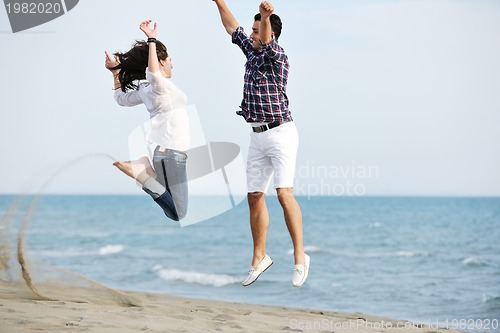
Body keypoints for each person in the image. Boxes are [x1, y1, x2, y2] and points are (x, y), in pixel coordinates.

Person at [212, 1, 310, 287]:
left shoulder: (276, 55)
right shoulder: (251, 54)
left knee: (283, 194)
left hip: (281, 133)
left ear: (270, 34)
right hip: (257, 136)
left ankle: (300, 257)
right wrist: (218, 1)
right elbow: (231, 26)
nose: (252, 35)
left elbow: (266, 40)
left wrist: (266, 18)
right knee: (254, 197)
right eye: (253, 31)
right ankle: (259, 257)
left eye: (256, 31)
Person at [105, 20, 190, 221]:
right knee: (178, 213)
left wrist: (116, 72)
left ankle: (144, 170)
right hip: (172, 153)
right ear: (161, 61)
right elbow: (153, 73)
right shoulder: (160, 86)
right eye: (169, 59)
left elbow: (121, 99)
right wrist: (151, 39)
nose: (172, 63)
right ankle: (141, 173)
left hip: (164, 153)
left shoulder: (146, 89)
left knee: (168, 202)